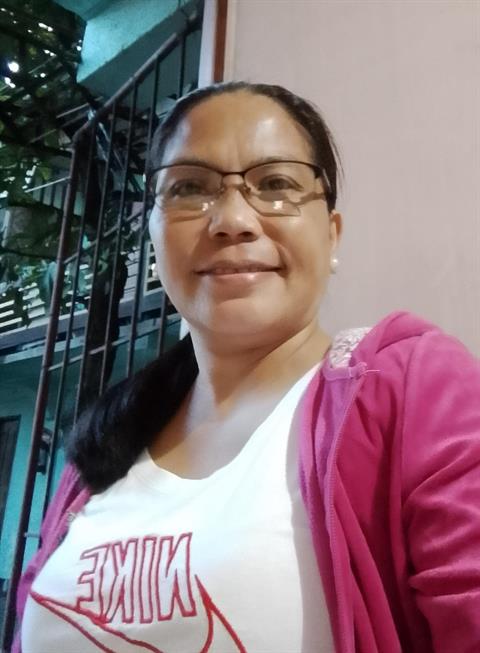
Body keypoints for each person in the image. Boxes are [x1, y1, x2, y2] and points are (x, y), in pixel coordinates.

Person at [15, 81, 480, 653]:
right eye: (189, 188)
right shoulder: (101, 451)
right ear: (155, 235)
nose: (233, 219)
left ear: (331, 234)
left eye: (277, 184)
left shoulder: (414, 390)